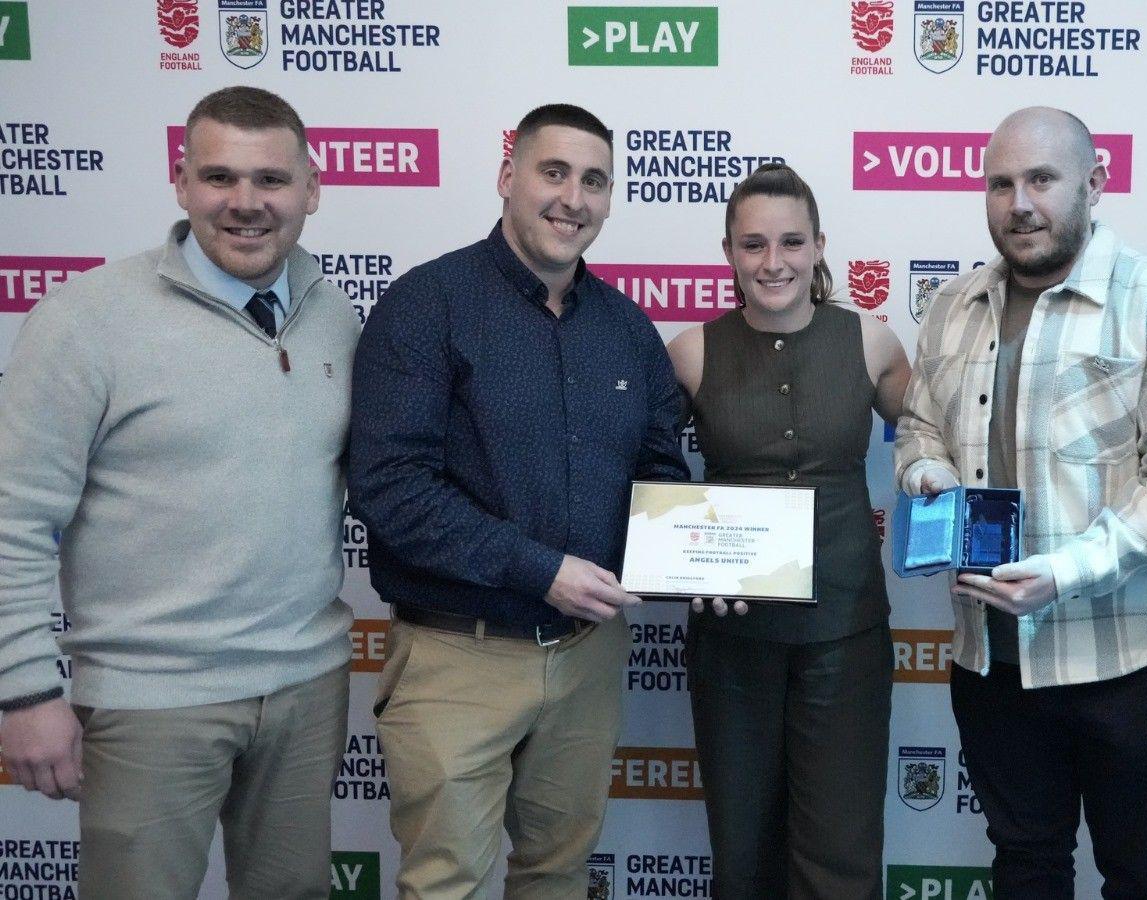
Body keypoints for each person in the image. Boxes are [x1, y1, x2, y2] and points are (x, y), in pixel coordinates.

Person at [0, 85, 356, 898]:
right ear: (181, 181)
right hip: (150, 702)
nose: (245, 203)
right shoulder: (86, 319)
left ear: (311, 188)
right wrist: (24, 693)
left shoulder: (334, 314)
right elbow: (12, 518)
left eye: (270, 180)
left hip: (306, 688)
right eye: (219, 177)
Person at [346, 102, 689, 899]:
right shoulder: (425, 306)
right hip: (456, 657)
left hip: (586, 656)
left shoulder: (629, 330)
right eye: (554, 172)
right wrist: (540, 570)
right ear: (509, 177)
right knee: (446, 883)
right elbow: (389, 487)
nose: (574, 197)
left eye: (594, 181)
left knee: (558, 876)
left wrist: (707, 562)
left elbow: (659, 469)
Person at [894, 107, 1147, 898]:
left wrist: (1064, 574)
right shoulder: (953, 304)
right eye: (1001, 184)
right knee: (1026, 866)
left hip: (1127, 661)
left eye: (1042, 179)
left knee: (1143, 875)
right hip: (992, 656)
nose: (1020, 203)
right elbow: (919, 427)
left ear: (1095, 183)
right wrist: (927, 471)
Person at [665, 162, 910, 899]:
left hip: (846, 633)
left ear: (820, 246)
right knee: (741, 852)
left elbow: (937, 433)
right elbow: (644, 477)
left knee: (841, 849)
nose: (773, 263)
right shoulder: (688, 352)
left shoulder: (871, 340)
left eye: (792, 242)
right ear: (729, 252)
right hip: (731, 642)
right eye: (753, 245)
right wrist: (684, 560)